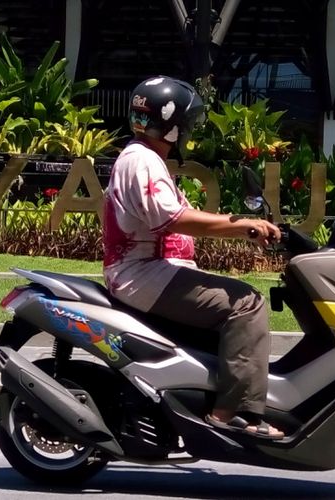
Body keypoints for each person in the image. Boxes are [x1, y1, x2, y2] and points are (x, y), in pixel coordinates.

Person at [102, 76, 284, 439]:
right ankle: (232, 412)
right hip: (144, 274)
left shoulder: (144, 159)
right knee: (247, 304)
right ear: (170, 126)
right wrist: (241, 225)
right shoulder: (143, 161)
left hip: (151, 273)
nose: (188, 133)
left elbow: (181, 223)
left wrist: (242, 228)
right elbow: (173, 219)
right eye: (186, 125)